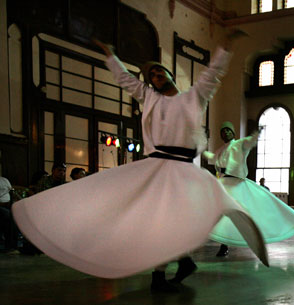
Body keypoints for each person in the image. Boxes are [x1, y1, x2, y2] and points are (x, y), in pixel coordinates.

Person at [12, 30, 268, 294]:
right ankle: (171, 268)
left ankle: (179, 263)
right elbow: (125, 80)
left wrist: (226, 45)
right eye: (151, 76)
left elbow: (212, 73)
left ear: (169, 74)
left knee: (177, 219)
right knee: (156, 221)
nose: (156, 78)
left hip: (182, 169)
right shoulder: (150, 98)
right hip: (157, 166)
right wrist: (111, 56)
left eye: (159, 73)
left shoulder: (193, 96)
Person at [203, 121, 294, 257]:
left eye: (229, 130)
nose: (226, 133)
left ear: (233, 133)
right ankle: (223, 244)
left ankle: (257, 237)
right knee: (219, 213)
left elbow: (250, 141)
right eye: (223, 131)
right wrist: (202, 151)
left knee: (249, 211)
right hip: (223, 184)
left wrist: (256, 134)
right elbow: (212, 157)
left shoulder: (239, 144)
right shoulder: (220, 150)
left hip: (237, 183)